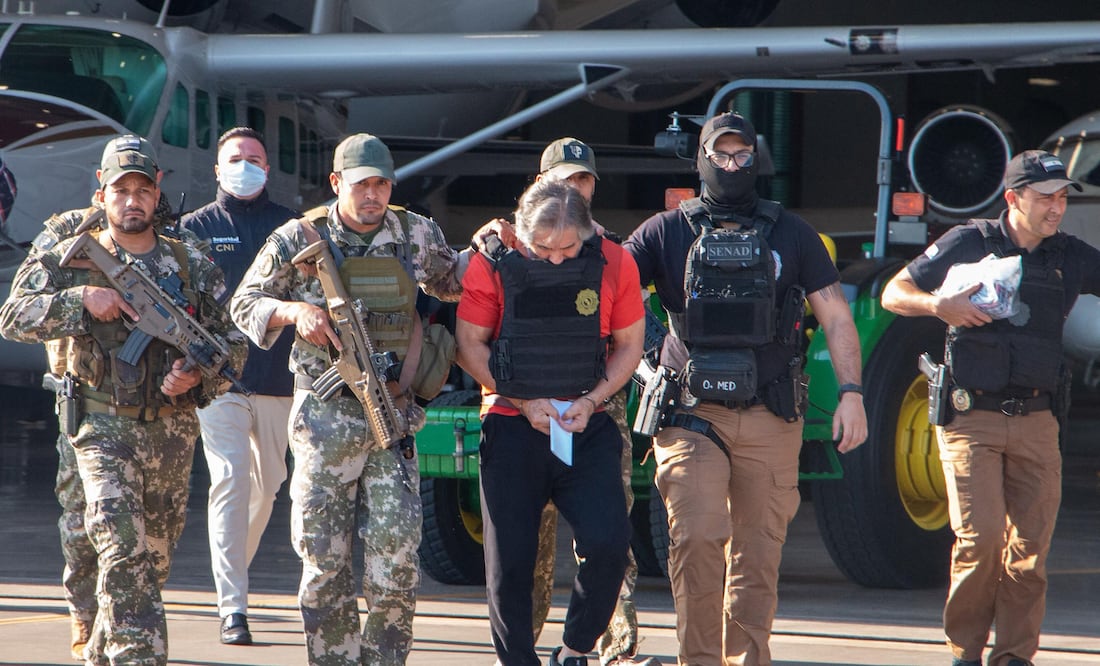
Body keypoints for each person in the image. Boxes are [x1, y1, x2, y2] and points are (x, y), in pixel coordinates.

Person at [231, 132, 500, 665]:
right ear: (337, 184)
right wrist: (295, 313)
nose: (373, 195)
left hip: (393, 414)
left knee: (397, 560)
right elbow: (245, 303)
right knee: (323, 558)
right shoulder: (298, 236)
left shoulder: (412, 231)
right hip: (324, 417)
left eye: (381, 184)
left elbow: (450, 281)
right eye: (361, 185)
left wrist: (485, 249)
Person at [622, 112, 868, 666]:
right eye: (721, 155)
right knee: (698, 539)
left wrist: (851, 391)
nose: (731, 165)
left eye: (742, 156)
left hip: (770, 414)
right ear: (701, 158)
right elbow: (608, 289)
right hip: (691, 413)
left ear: (756, 159)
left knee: (757, 558)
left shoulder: (793, 232)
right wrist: (649, 349)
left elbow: (835, 316)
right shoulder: (665, 230)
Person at [0, 138, 243, 665]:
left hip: (170, 436)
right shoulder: (73, 248)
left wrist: (195, 377)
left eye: (144, 190)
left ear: (158, 194)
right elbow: (13, 316)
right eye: (121, 190)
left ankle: (101, 649)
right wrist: (81, 301)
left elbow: (231, 350)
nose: (133, 200)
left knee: (149, 567)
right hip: (98, 426)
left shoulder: (190, 262)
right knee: (119, 553)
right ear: (102, 191)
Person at [881, 150, 1100, 666]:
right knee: (978, 544)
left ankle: (1014, 657)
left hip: (1038, 421)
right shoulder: (970, 241)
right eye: (1045, 197)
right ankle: (965, 655)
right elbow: (895, 291)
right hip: (969, 418)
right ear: (1013, 198)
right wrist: (938, 305)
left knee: (1029, 556)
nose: (1057, 207)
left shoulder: (1070, 254)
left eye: (1063, 196)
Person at [456, 178, 645, 666]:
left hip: (585, 422)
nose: (558, 258)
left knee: (609, 543)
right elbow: (470, 344)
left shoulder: (615, 262)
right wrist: (520, 401)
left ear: (587, 233)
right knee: (509, 565)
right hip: (512, 423)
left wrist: (595, 398)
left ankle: (576, 649)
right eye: (543, 249)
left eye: (568, 247)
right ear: (520, 234)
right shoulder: (491, 262)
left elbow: (629, 344)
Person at [527, 137, 657, 666]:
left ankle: (614, 648)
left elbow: (632, 333)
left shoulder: (614, 254)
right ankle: (523, 649)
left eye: (583, 181)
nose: (574, 188)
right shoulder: (511, 243)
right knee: (529, 544)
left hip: (597, 413)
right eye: (564, 179)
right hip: (530, 415)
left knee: (609, 536)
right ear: (541, 183)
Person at [180, 127, 299, 646]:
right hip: (220, 383)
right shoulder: (192, 228)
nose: (244, 165)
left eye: (254, 158)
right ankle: (234, 606)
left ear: (267, 169)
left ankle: (233, 573)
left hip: (280, 382)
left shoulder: (292, 228)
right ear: (217, 168)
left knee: (267, 488)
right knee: (229, 481)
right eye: (235, 157)